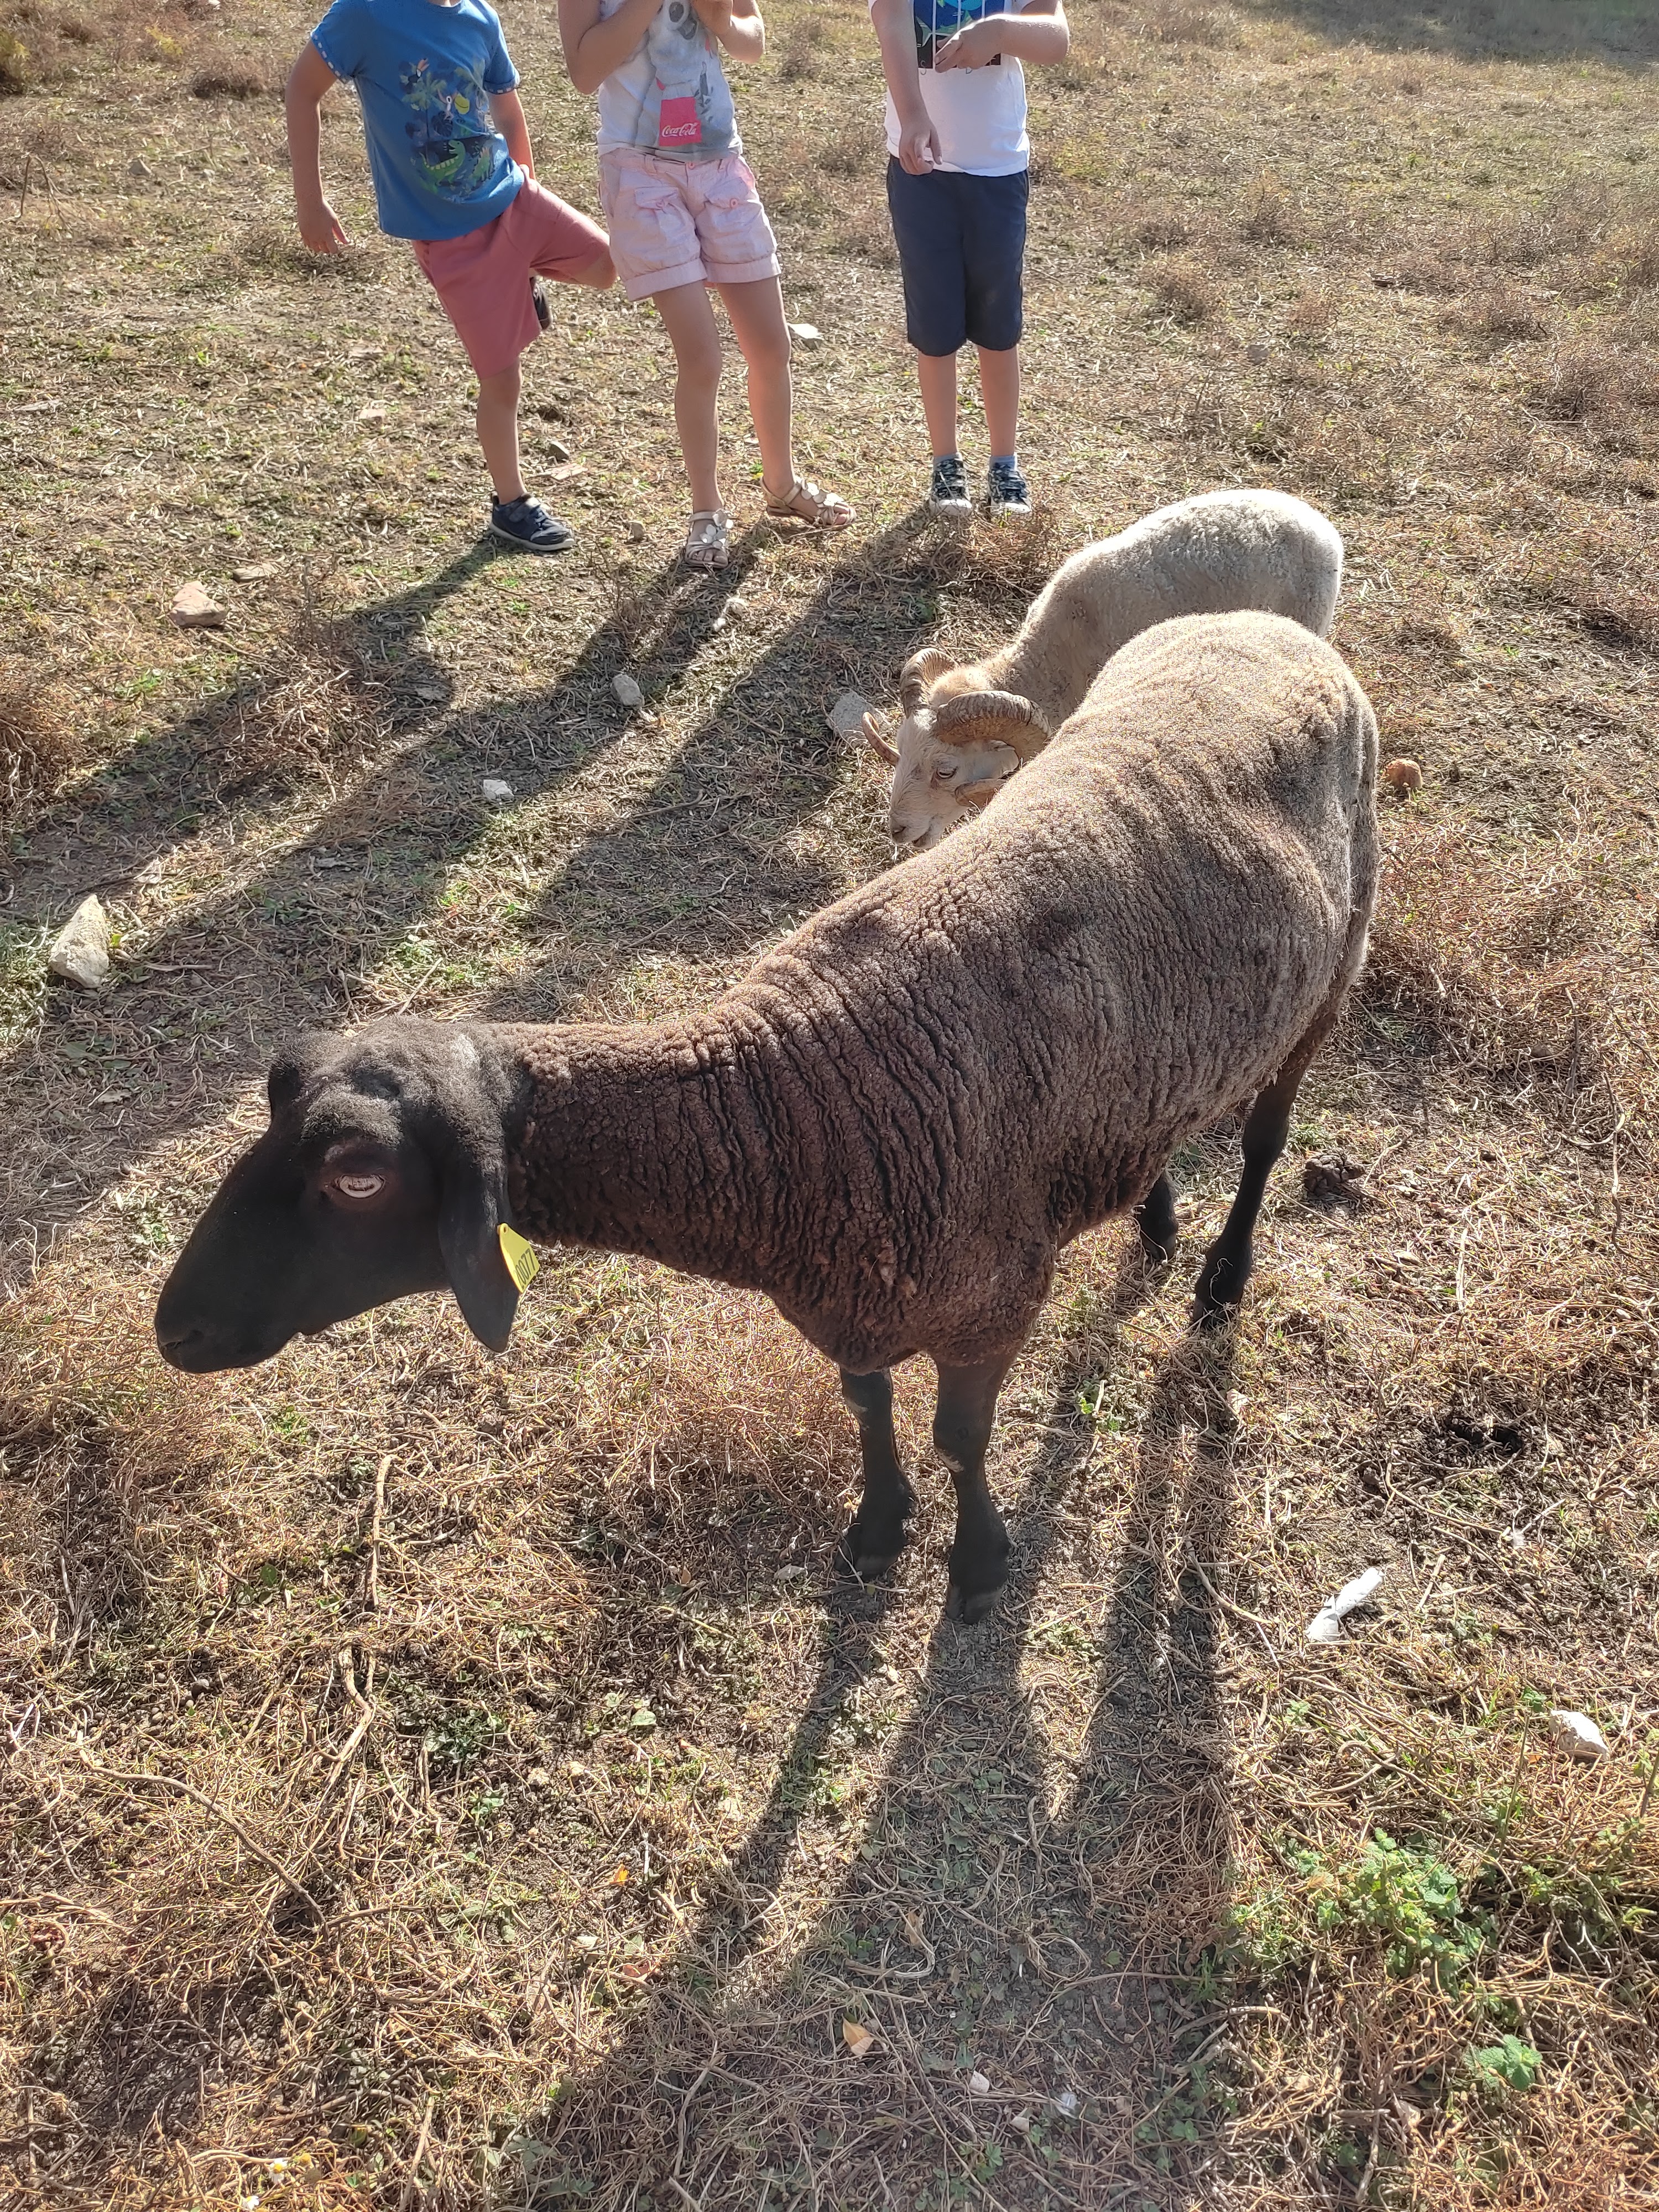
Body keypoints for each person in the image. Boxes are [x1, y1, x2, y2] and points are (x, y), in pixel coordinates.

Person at [285, 0, 617, 554]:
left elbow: (508, 113)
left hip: (513, 198)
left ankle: (520, 276)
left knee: (607, 265)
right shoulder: (367, 13)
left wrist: (528, 196)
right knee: (502, 379)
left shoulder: (479, 18)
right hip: (451, 238)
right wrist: (310, 201)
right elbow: (302, 89)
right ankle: (511, 506)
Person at [558, 0, 853, 571]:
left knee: (771, 346)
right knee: (702, 360)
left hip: (719, 164)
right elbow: (583, 73)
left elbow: (752, 41)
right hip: (641, 173)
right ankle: (707, 511)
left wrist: (720, 20)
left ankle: (782, 484)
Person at [870, 0, 1069, 519]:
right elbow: (890, 20)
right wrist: (913, 114)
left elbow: (1055, 38)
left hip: (998, 170)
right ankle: (946, 463)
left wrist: (1001, 30)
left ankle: (1004, 463)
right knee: (935, 327)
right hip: (920, 171)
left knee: (998, 323)